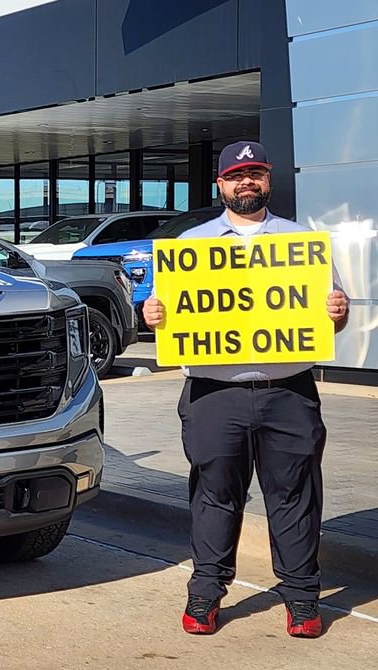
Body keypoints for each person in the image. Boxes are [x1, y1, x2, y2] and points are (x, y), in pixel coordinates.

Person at [142, 141, 350, 638]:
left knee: (295, 497)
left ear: (268, 180)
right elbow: (166, 314)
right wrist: (152, 315)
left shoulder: (302, 243)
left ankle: (302, 599)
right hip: (214, 394)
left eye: (255, 173)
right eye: (237, 175)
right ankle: (205, 594)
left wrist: (338, 313)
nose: (246, 182)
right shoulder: (191, 246)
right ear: (221, 184)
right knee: (214, 495)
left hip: (288, 392)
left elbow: (332, 319)